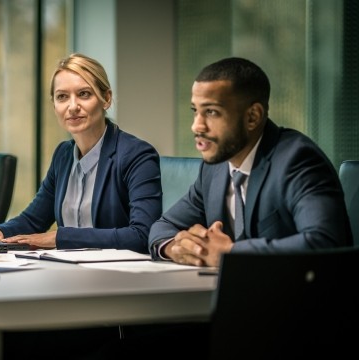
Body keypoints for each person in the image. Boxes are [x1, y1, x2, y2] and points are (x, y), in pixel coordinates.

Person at [148, 56, 352, 267]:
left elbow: (325, 243)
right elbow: (164, 225)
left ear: (253, 117)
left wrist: (230, 252)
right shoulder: (214, 167)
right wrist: (177, 248)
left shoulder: (298, 160)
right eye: (195, 111)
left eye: (211, 112)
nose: (197, 126)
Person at [0, 53, 162, 254]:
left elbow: (142, 234)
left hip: (118, 277)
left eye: (84, 94)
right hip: (68, 271)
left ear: (106, 98)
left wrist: (60, 237)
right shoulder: (63, 155)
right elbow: (34, 220)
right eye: (62, 97)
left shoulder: (136, 155)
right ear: (54, 105)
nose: (73, 106)